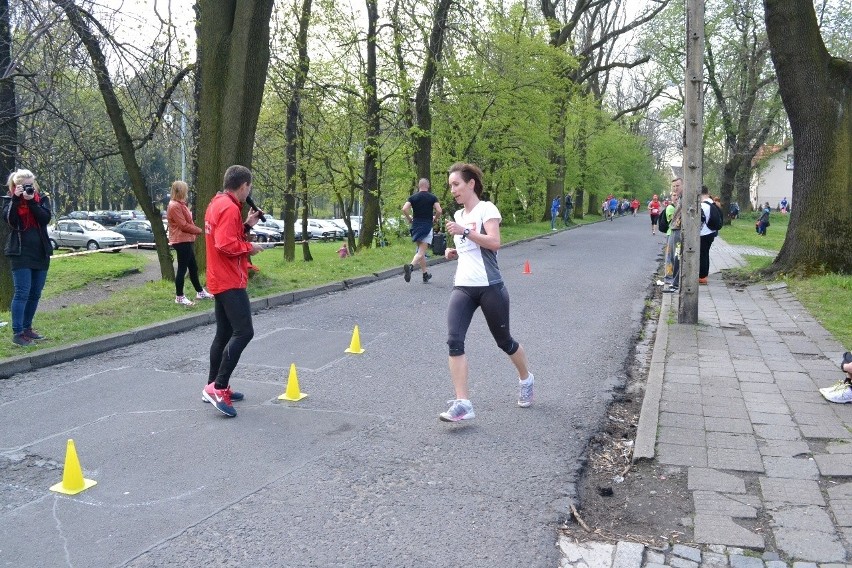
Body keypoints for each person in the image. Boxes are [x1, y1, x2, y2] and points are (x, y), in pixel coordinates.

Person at [439, 162, 534, 422]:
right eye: (450, 186)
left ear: (470, 184)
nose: (453, 191)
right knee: (454, 340)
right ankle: (463, 403)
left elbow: (494, 243)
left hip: (490, 286)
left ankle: (526, 379)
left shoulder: (486, 209)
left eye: (456, 184)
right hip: (464, 286)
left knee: (504, 341)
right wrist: (454, 251)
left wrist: (465, 232)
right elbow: (471, 249)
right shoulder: (458, 216)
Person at [201, 165, 266, 418]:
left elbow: (226, 235)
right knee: (244, 332)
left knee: (225, 332)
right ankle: (218, 387)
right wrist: (249, 247)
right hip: (229, 279)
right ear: (244, 186)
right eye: (249, 187)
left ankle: (212, 385)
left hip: (218, 276)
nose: (249, 191)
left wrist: (247, 224)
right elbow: (225, 244)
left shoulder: (217, 202)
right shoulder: (228, 207)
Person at [3, 168, 52, 347]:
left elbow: (45, 219)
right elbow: (10, 220)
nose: (28, 189)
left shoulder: (41, 199)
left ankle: (27, 328)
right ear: (16, 186)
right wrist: (16, 199)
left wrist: (32, 203)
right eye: (24, 186)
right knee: (22, 292)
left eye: (30, 185)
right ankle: (18, 333)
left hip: (41, 252)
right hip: (20, 253)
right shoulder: (9, 201)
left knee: (35, 293)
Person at [167, 180, 213, 306]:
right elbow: (183, 225)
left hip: (186, 239)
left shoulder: (180, 204)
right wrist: (198, 230)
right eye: (185, 190)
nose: (186, 192)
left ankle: (200, 292)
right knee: (182, 269)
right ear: (181, 191)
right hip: (181, 240)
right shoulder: (174, 206)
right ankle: (179, 296)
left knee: (193, 267)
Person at [401, 178, 442, 283]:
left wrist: (410, 219)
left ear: (419, 186)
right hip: (427, 226)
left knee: (420, 251)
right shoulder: (432, 197)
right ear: (427, 186)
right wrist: (435, 219)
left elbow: (404, 209)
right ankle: (410, 267)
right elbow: (439, 210)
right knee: (421, 252)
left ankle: (425, 275)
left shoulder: (413, 197)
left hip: (415, 226)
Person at [663, 179, 683, 293]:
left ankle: (675, 284)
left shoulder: (685, 198)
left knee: (677, 257)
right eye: (673, 186)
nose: (675, 188)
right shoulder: (679, 198)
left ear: (683, 185)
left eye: (678, 185)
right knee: (675, 257)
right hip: (674, 229)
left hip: (679, 230)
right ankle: (674, 283)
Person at [698, 186, 716, 284]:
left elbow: (700, 220)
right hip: (711, 232)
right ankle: (704, 275)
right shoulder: (712, 202)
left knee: (702, 255)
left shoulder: (703, 205)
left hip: (704, 232)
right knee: (705, 254)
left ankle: (702, 276)